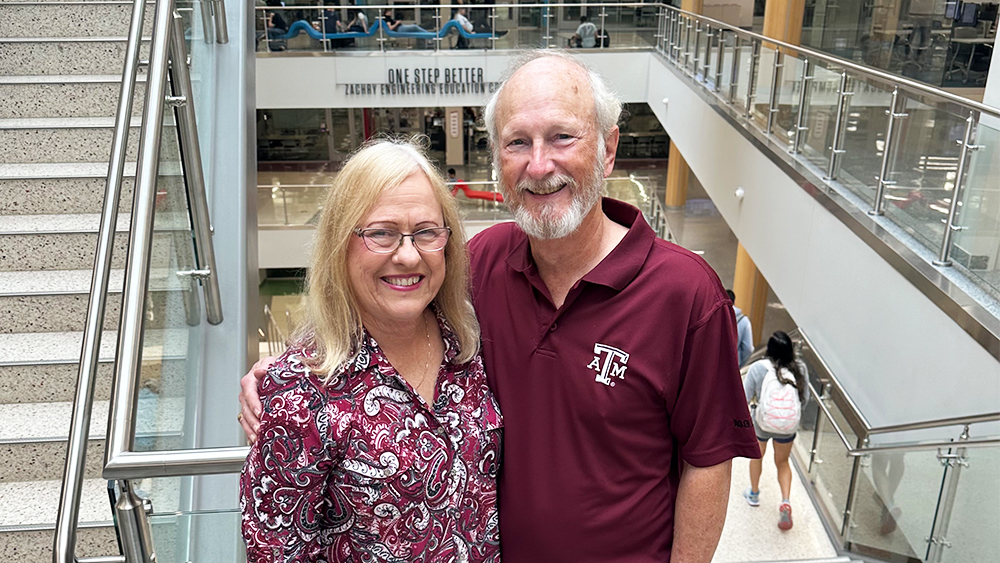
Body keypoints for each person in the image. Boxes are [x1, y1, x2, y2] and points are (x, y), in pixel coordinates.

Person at [242, 51, 760, 562]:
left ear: (607, 149)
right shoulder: (484, 265)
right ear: (498, 159)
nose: (539, 165)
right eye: (517, 143)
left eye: (562, 136)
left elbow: (708, 462)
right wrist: (288, 373)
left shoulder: (686, 294)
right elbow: (381, 306)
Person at [239, 140, 502, 562]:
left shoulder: (471, 341)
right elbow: (278, 552)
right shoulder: (300, 394)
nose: (407, 254)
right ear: (340, 244)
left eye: (426, 232)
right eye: (381, 233)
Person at [742, 330, 807, 531]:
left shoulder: (757, 368)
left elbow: (744, 397)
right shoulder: (800, 369)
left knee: (757, 457)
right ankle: (785, 501)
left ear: (769, 350)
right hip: (786, 427)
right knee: (783, 463)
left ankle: (753, 494)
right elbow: (804, 400)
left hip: (762, 423)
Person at [727, 289, 754, 367]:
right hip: (732, 365)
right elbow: (748, 349)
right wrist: (739, 364)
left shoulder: (714, 317)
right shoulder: (744, 321)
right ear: (734, 302)